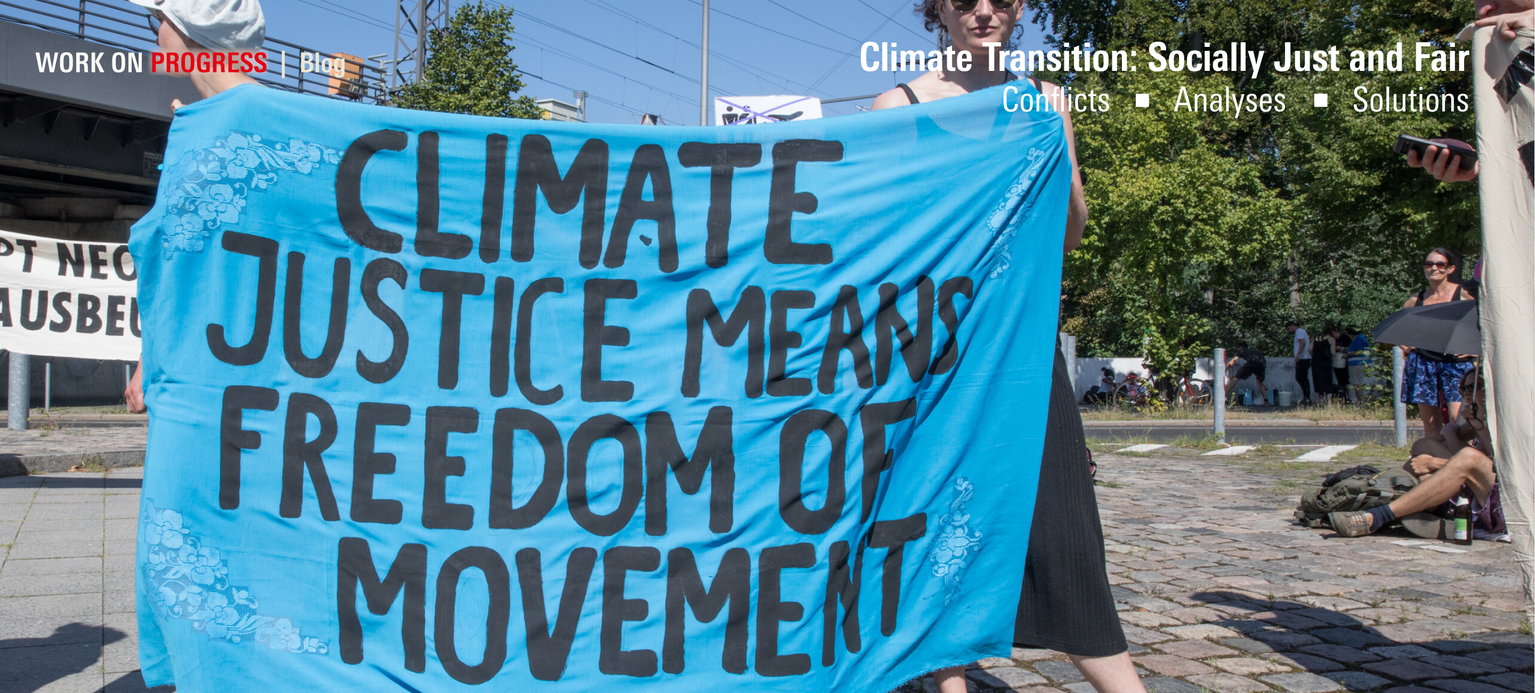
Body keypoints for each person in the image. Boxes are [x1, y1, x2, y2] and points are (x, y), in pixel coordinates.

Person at [874, 3, 1144, 693]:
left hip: (1022, 341)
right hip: (934, 349)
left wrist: (1058, 151)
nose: (983, 11)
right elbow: (883, 232)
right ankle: (949, 681)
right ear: (937, 9)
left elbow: (1069, 234)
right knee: (935, 517)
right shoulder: (898, 103)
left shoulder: (1045, 100)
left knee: (1062, 522)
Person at [120, 0, 267, 414]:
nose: (155, 32)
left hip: (211, 365)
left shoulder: (217, 127)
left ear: (190, 29)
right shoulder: (267, 116)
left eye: (159, 20)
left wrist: (152, 361)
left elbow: (191, 258)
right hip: (258, 359)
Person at [1330, 369, 1502, 538]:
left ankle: (1379, 516)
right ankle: (1389, 496)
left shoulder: (1503, 416)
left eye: (1472, 388)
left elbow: (1497, 464)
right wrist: (1459, 428)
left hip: (1502, 493)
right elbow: (1452, 437)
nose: (1465, 393)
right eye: (1462, 388)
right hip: (1479, 483)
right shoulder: (1481, 413)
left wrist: (1434, 463)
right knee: (1424, 446)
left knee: (1463, 458)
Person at [1400, 248, 1477, 440]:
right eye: (1428, 264)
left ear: (1450, 268)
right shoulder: (1416, 300)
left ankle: (1459, 465)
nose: (1433, 268)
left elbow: (1484, 326)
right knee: (1431, 425)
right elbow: (1398, 329)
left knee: (1457, 422)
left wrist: (1473, 350)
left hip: (1456, 364)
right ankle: (1436, 463)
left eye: (1439, 264)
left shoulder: (1463, 295)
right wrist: (1405, 345)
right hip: (1423, 364)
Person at [1286, 321, 1312, 404]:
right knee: (1303, 378)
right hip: (1304, 358)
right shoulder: (1300, 331)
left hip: (1303, 358)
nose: (1289, 330)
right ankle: (1306, 396)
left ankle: (1307, 396)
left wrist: (1298, 355)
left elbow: (1302, 343)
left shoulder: (1299, 332)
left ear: (1292, 326)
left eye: (1289, 328)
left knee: (1300, 377)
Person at [1310, 327, 1336, 405]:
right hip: (1326, 363)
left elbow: (1309, 348)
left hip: (1315, 363)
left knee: (1316, 382)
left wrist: (1314, 356)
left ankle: (1318, 402)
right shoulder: (1331, 339)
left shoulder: (1316, 338)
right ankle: (1329, 402)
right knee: (1328, 381)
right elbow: (1333, 352)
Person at [1344, 328, 1371, 403]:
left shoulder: (1358, 339)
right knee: (1358, 383)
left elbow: (1359, 352)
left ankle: (1360, 402)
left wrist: (1347, 354)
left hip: (1356, 364)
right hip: (1361, 363)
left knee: (1357, 384)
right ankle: (1360, 401)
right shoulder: (1362, 338)